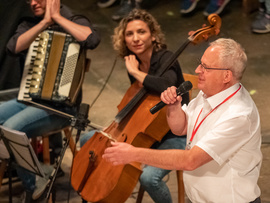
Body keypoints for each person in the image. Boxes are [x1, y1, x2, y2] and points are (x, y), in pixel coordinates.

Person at [103, 38, 262, 203]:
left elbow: (190, 160)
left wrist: (133, 154)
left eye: (205, 67)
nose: (197, 70)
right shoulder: (209, 91)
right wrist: (174, 107)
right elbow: (181, 128)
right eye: (200, 63)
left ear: (226, 76)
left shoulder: (239, 115)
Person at [80, 9, 188, 203]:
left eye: (141, 32)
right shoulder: (135, 61)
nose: (135, 38)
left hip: (175, 133)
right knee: (89, 140)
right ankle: (106, 190)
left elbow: (167, 86)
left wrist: (135, 72)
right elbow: (139, 102)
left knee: (149, 178)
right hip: (147, 129)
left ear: (153, 36)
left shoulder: (166, 57)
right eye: (129, 34)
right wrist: (117, 127)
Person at [0, 0, 100, 202]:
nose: (32, 3)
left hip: (61, 108)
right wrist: (44, 23)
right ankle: (40, 170)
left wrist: (57, 19)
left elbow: (92, 40)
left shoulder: (75, 20)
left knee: (12, 128)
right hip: (29, 99)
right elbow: (13, 47)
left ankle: (34, 182)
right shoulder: (29, 23)